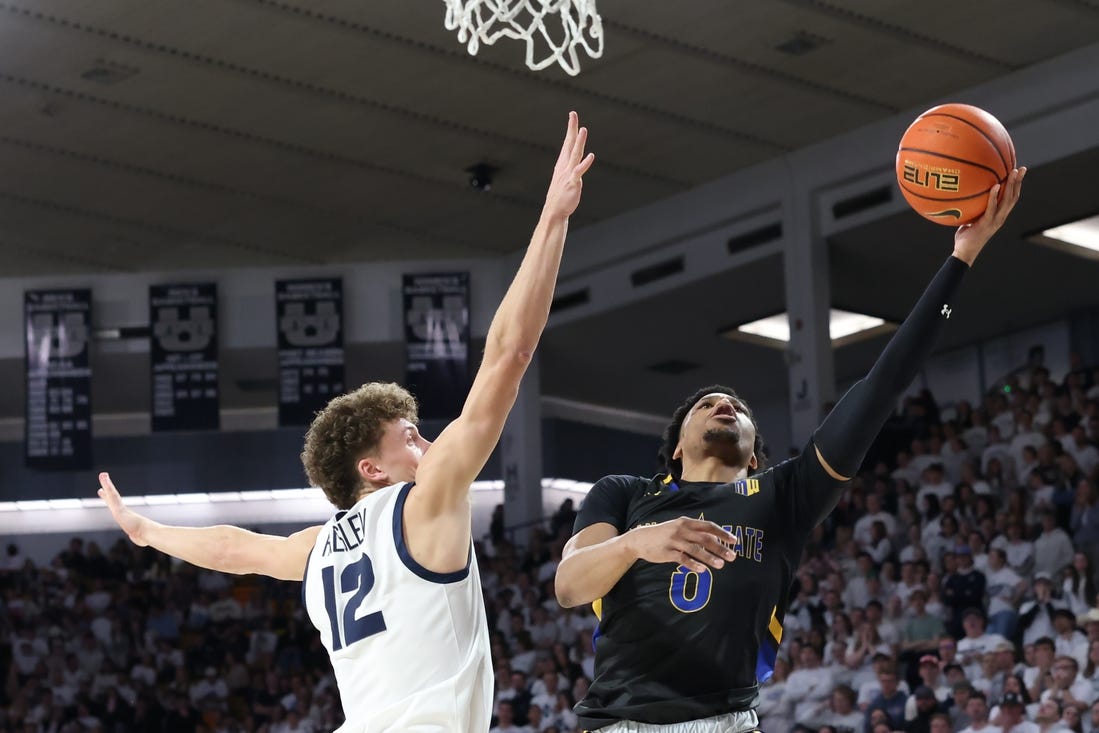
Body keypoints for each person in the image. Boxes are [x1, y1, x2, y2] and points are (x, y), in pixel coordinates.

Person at [97, 112, 596, 733]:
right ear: (372, 467)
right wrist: (552, 220)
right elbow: (509, 356)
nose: (429, 442)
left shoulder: (312, 550)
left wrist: (147, 532)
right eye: (410, 436)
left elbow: (235, 549)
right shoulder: (424, 500)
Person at [554, 168, 1026, 732]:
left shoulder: (783, 495)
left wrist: (961, 259)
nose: (723, 403)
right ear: (675, 449)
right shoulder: (624, 495)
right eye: (705, 403)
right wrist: (637, 543)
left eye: (738, 407)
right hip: (614, 723)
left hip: (724, 721)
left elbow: (882, 386)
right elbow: (568, 586)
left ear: (755, 456)